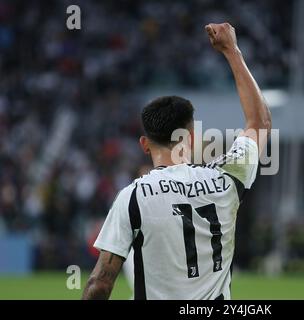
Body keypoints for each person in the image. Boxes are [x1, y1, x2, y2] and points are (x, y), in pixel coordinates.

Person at [81, 22, 271, 300]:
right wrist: (231, 50)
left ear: (144, 145)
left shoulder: (132, 197)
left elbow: (100, 283)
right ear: (190, 138)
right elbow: (260, 122)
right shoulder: (226, 178)